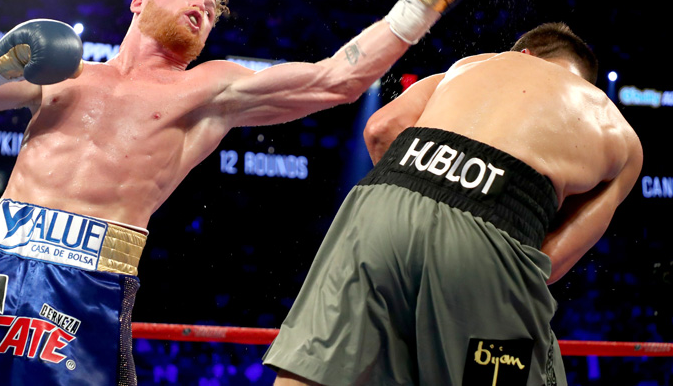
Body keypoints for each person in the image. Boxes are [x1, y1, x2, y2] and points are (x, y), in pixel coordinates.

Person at [0, 0, 486, 386]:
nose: (201, 9)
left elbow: (335, 80)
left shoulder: (208, 89)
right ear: (139, 2)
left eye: (211, 13)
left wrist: (421, 4)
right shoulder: (64, 72)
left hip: (85, 284)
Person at [263, 22, 643, 385]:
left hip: (379, 204)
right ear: (589, 86)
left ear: (523, 54)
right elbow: (549, 264)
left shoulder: (471, 65)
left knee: (310, 375)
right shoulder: (618, 133)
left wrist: (425, 184)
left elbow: (380, 130)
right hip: (489, 241)